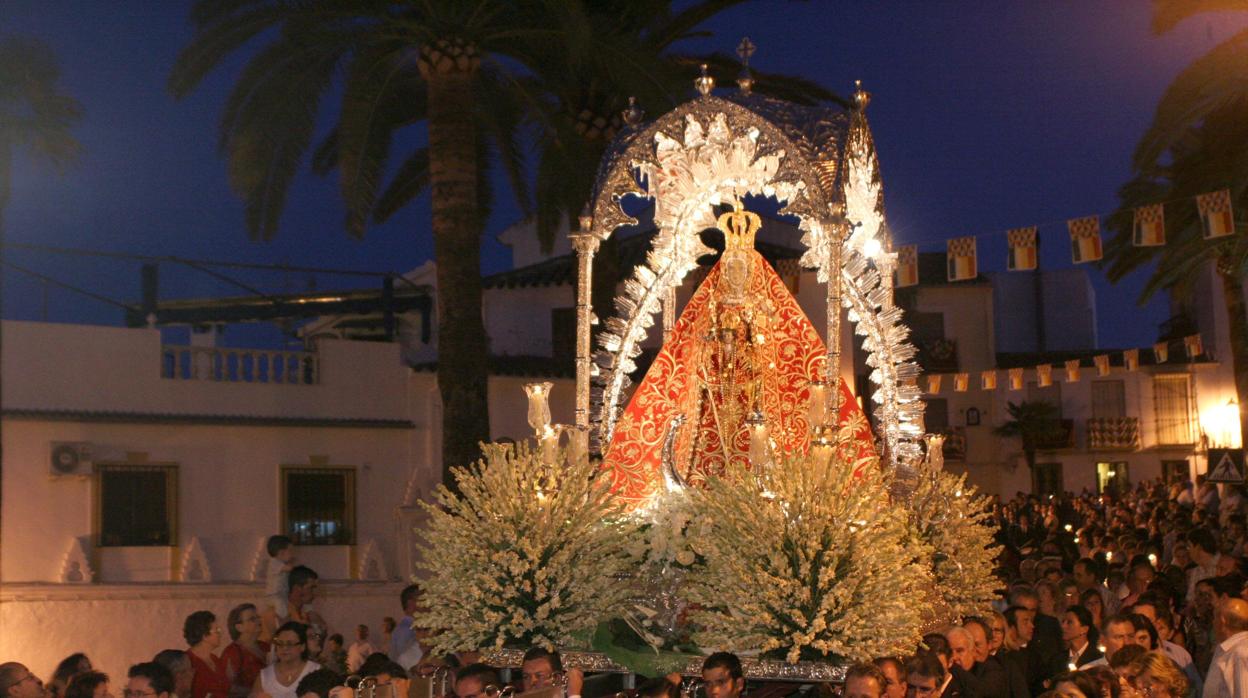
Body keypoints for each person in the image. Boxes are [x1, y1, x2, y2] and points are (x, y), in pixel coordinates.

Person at [256, 622, 322, 698]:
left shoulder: (316, 671)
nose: (284, 648)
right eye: (280, 643)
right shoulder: (265, 676)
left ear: (302, 647)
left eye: (290, 644)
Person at [1203, 597, 1248, 698]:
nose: (1213, 622)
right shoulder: (1227, 649)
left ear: (1222, 621)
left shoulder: (1241, 653)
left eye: (1214, 618)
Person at [221, 603, 268, 698]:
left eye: (258, 617)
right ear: (239, 627)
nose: (259, 621)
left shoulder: (266, 646)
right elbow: (227, 686)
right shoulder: (232, 652)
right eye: (252, 619)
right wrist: (255, 692)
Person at [184, 610, 230, 698]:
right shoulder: (187, 661)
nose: (220, 634)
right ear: (204, 636)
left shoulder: (215, 659)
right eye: (217, 631)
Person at [390, 585, 427, 671]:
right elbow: (408, 660)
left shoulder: (405, 627)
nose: (428, 603)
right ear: (411, 603)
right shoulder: (406, 629)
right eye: (423, 599)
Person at [264, 535, 296, 625]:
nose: (292, 554)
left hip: (282, 594)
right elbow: (289, 569)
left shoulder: (281, 563)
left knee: (286, 605)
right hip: (274, 595)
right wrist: (293, 565)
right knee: (280, 606)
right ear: (281, 552)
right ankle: (282, 623)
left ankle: (287, 621)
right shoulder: (274, 562)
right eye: (290, 551)